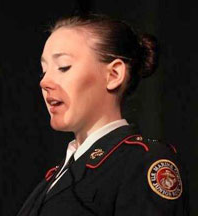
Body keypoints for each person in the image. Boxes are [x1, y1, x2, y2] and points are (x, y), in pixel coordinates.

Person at [17, 13, 189, 216]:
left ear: (114, 75)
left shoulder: (143, 162)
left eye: (63, 67)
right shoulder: (53, 179)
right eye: (44, 71)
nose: (44, 82)